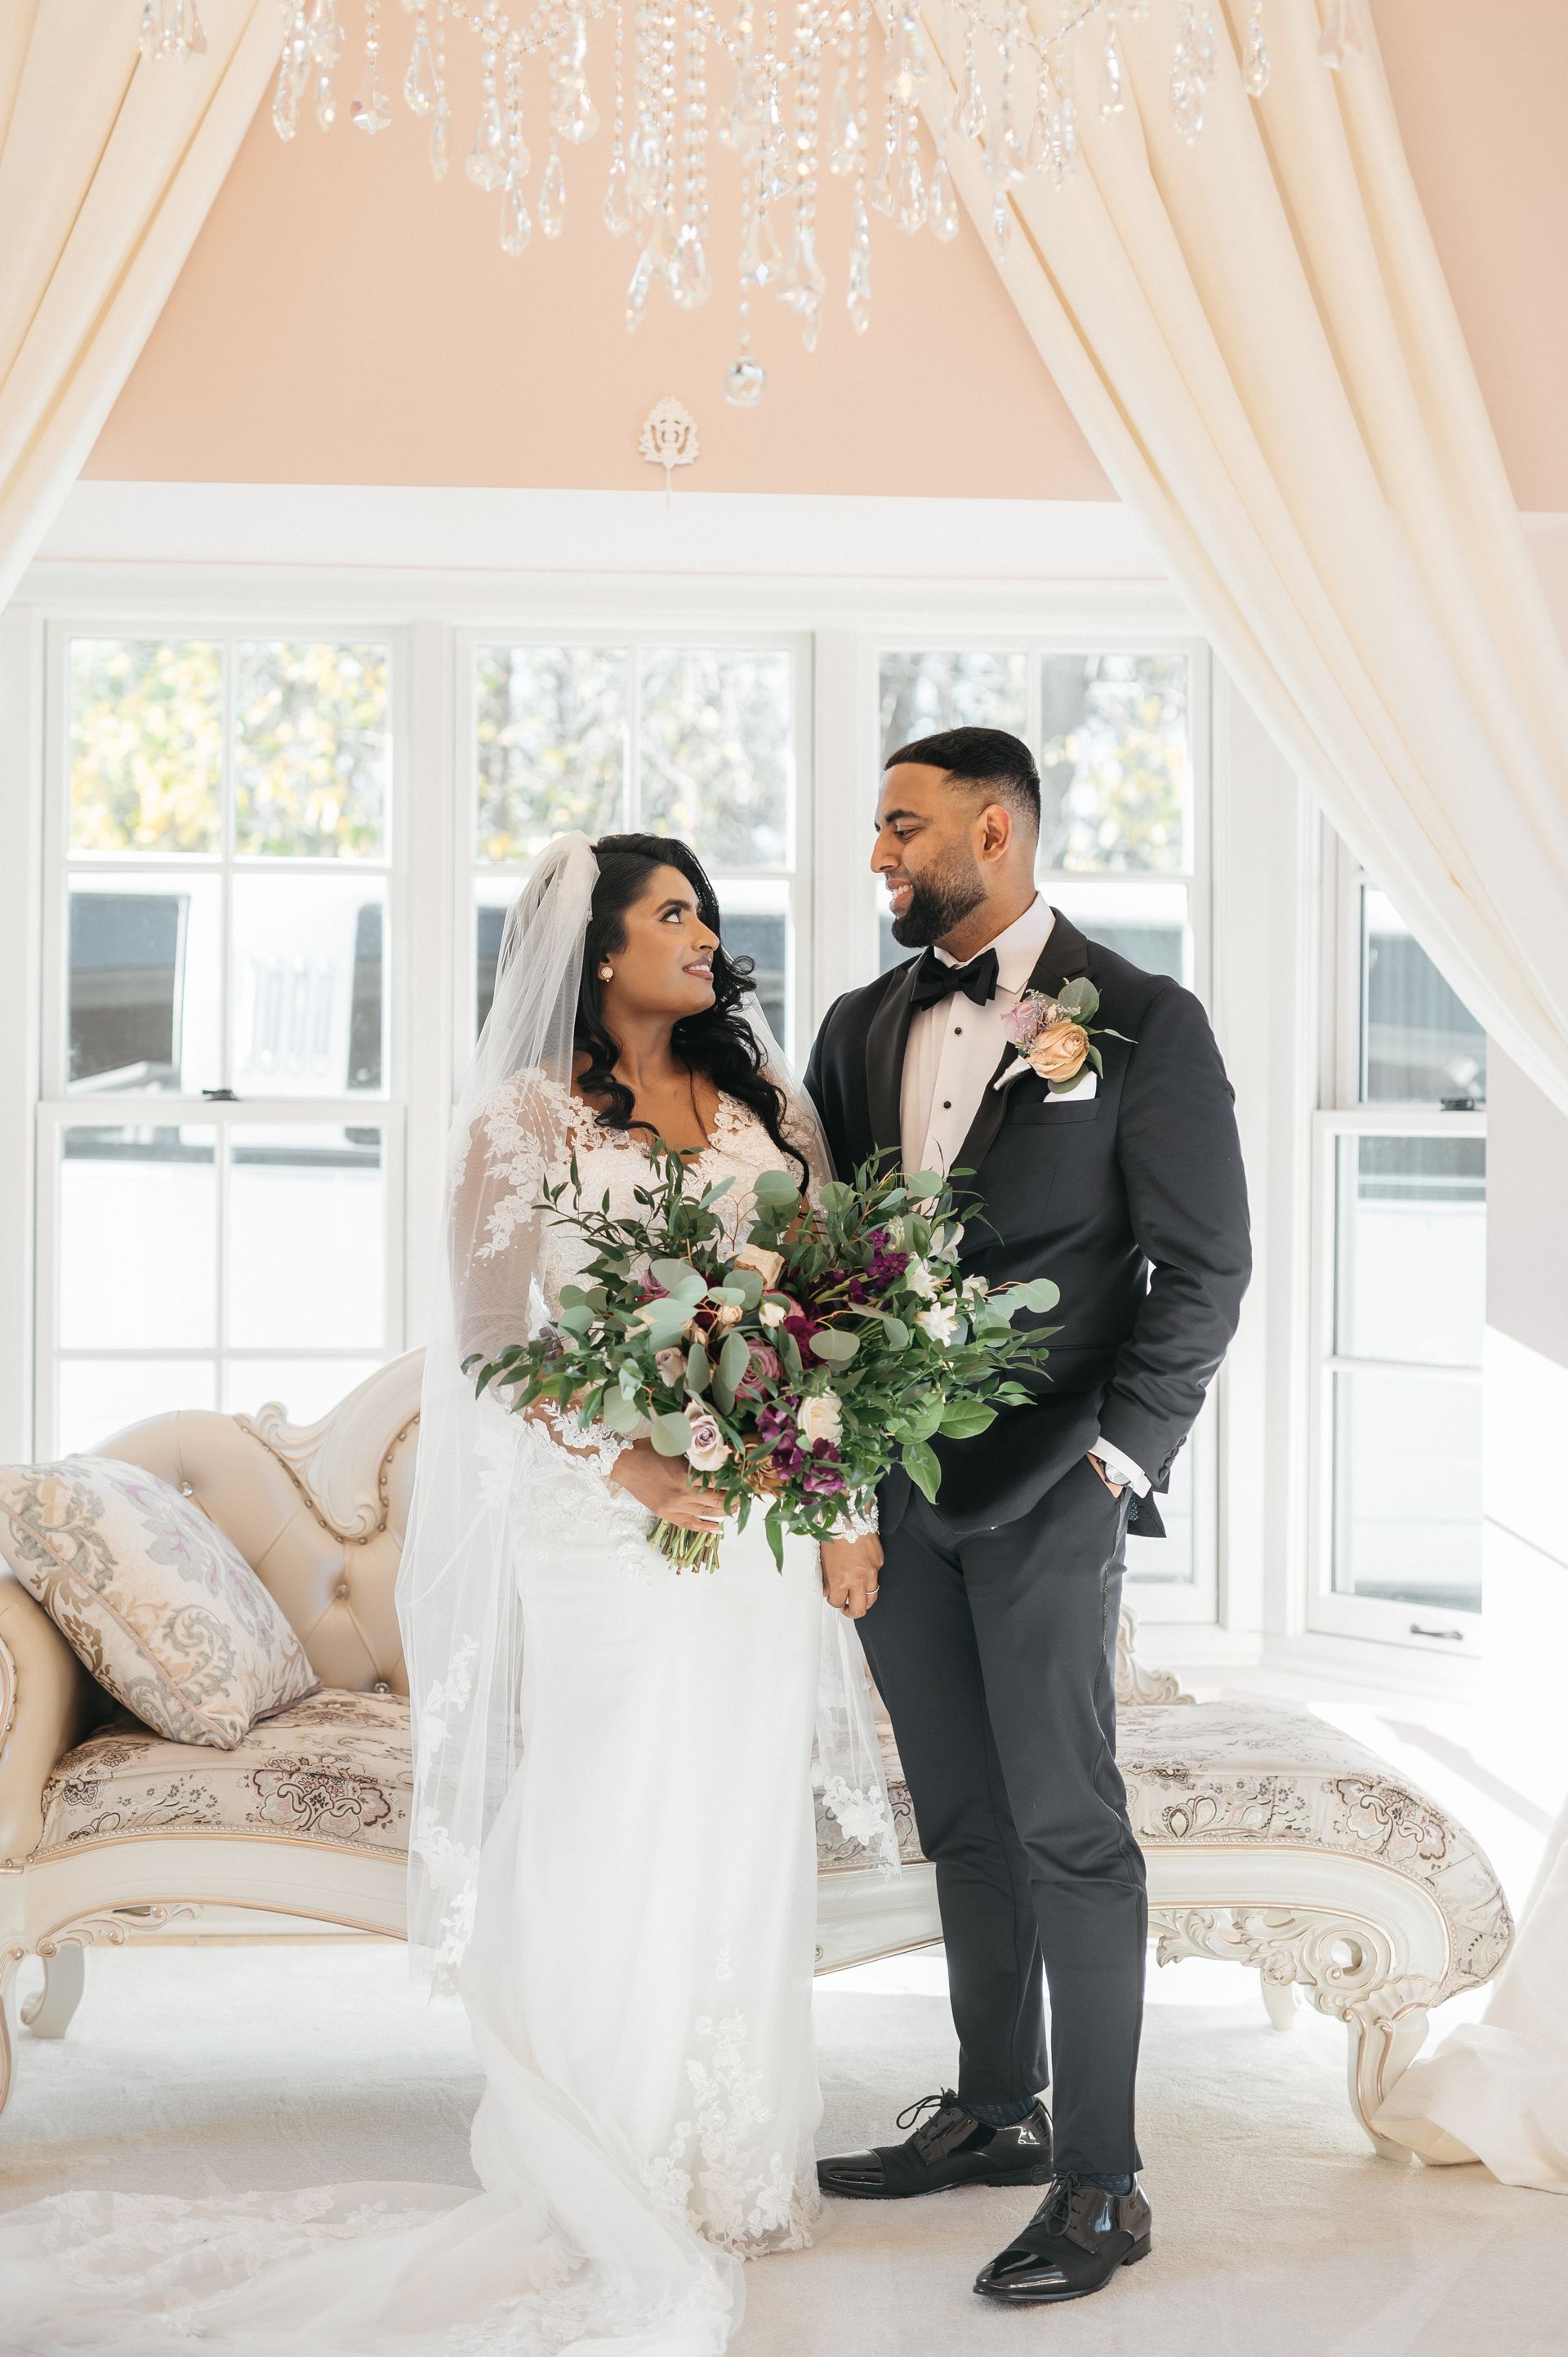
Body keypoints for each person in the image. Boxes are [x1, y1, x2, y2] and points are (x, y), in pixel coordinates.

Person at [0, 830, 894, 2357]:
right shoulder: (514, 1125)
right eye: (672, 912)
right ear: (598, 951)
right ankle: (598, 2132)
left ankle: (723, 2150)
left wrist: (840, 1501)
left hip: (752, 1522)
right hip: (607, 1529)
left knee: (736, 1810)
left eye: (706, 914)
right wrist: (635, 1470)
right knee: (616, 1797)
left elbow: (832, 1315)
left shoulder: (769, 1108)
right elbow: (493, 1352)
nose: (703, 935)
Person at [805, 728, 1252, 2307]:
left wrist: (1119, 1460)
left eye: (901, 827)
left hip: (1060, 1486)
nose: (879, 856)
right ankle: (998, 2106)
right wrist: (838, 1480)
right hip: (899, 1498)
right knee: (963, 1819)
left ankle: (1105, 2183)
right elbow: (821, 1262)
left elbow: (1205, 1268)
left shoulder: (1143, 1021)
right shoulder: (862, 1024)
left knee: (1070, 1830)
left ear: (994, 831)